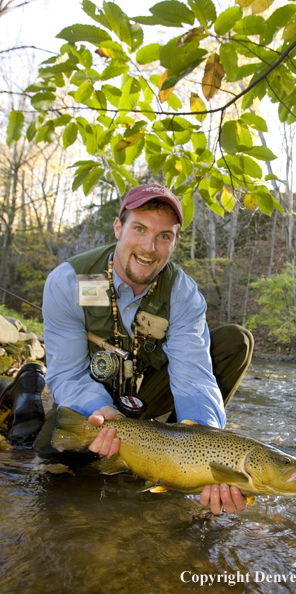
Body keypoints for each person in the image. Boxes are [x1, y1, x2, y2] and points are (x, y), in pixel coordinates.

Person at [1, 184, 254, 515]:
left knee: (237, 340)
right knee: (53, 459)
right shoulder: (69, 281)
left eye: (165, 236)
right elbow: (67, 372)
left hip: (143, 397)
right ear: (118, 228)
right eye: (140, 229)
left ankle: (172, 457)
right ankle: (27, 396)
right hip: (91, 403)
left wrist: (208, 455)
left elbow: (194, 376)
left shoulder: (183, 294)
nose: (150, 247)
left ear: (175, 242)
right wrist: (99, 411)